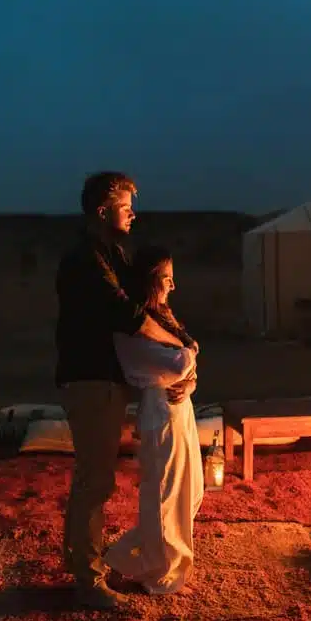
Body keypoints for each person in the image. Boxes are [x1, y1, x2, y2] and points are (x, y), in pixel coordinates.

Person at [55, 172, 187, 609]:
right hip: (91, 380)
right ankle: (88, 580)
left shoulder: (112, 253)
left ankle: (78, 560)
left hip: (104, 380)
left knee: (93, 479)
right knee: (96, 481)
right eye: (126, 207)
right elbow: (127, 314)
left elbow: (148, 297)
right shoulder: (86, 260)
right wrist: (182, 350)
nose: (134, 214)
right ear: (102, 211)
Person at [103, 245, 205, 595]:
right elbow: (178, 363)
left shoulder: (162, 320)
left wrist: (188, 371)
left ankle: (123, 557)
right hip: (160, 411)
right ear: (149, 282)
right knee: (165, 497)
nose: (172, 287)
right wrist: (189, 356)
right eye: (166, 279)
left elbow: (185, 363)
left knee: (191, 492)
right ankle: (158, 574)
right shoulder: (132, 330)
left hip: (180, 408)